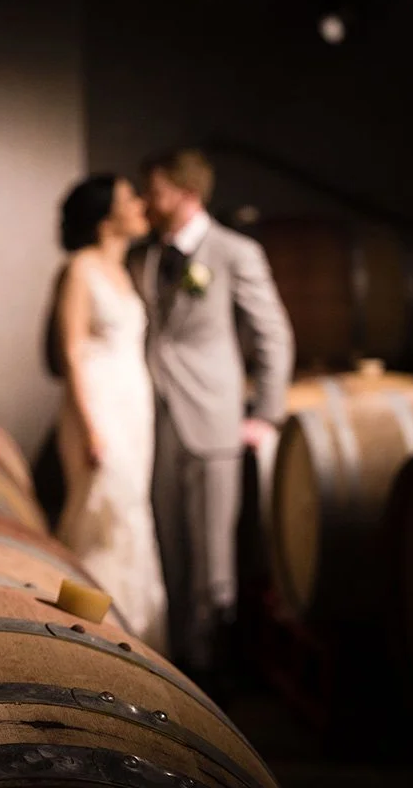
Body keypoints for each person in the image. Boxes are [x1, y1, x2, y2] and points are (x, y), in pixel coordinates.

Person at [131, 148, 293, 687]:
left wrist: (265, 414)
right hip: (156, 420)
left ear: (186, 193)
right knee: (169, 547)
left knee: (213, 560)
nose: (146, 202)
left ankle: (216, 675)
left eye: (154, 191)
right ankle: (177, 666)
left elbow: (274, 334)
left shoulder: (234, 252)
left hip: (213, 418)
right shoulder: (146, 255)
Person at [52, 174, 169, 653]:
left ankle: (136, 642)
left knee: (132, 516)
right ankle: (88, 640)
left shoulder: (124, 269)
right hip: (97, 409)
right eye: (129, 198)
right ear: (106, 217)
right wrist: (91, 427)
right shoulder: (80, 268)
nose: (141, 204)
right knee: (102, 518)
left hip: (132, 408)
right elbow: (72, 352)